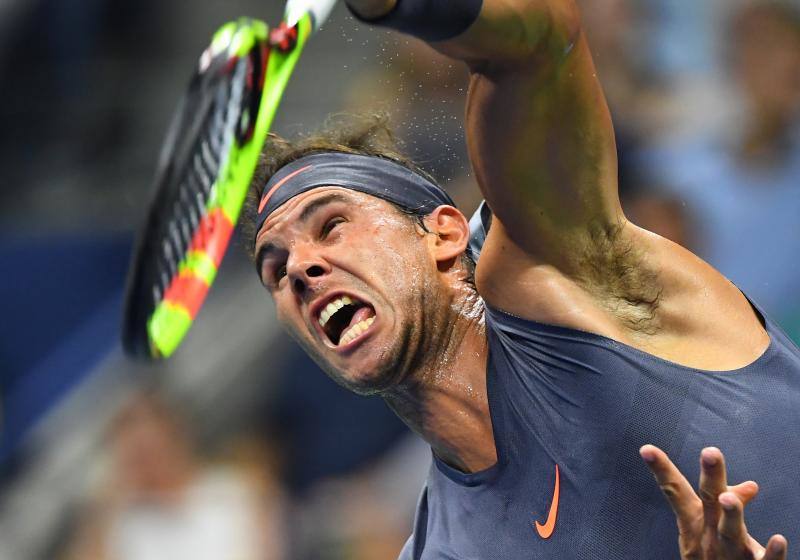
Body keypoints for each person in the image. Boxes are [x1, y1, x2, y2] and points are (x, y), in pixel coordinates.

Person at [243, 0, 800, 557]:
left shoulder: (560, 278)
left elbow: (540, 43)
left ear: (444, 234)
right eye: (274, 269)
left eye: (333, 225)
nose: (298, 269)